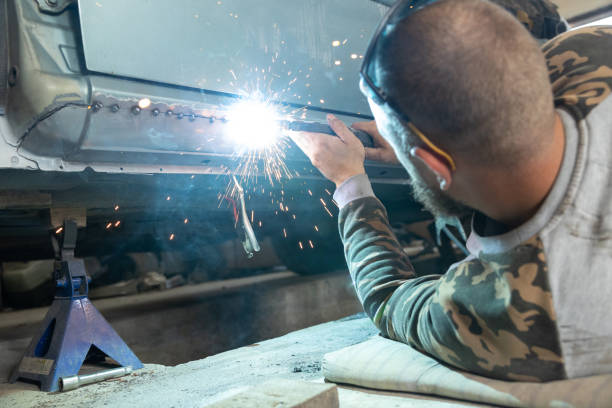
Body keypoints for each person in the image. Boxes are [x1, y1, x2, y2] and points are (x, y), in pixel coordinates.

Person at [291, 0, 612, 382]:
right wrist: (426, 149)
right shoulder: (591, 48)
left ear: (436, 165)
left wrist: (349, 182)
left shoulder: (511, 313)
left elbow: (389, 296)